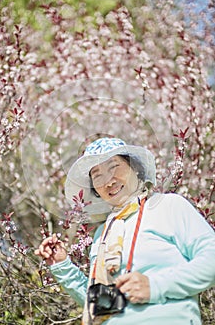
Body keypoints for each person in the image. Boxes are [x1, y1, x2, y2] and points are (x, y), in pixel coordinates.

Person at [34, 137, 215, 325]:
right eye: (97, 175)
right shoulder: (102, 234)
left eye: (114, 167)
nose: (108, 180)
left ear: (135, 169)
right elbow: (103, 303)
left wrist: (155, 287)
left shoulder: (168, 206)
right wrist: (62, 265)